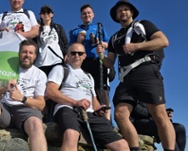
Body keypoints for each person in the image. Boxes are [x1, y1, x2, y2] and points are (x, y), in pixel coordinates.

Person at [98, 1, 175, 150]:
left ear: (131, 12)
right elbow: (109, 63)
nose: (123, 12)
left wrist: (137, 46)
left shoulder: (143, 25)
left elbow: (163, 41)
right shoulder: (114, 38)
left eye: (126, 9)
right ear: (116, 16)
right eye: (119, 11)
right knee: (120, 114)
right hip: (126, 77)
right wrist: (101, 55)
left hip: (146, 70)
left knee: (159, 114)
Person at [46, 43, 129, 151]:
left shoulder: (89, 76)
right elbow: (51, 91)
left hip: (90, 113)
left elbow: (93, 99)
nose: (77, 56)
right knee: (71, 135)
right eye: (73, 53)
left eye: (80, 53)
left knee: (122, 145)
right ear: (68, 55)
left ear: (84, 56)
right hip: (67, 109)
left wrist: (99, 108)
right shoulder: (60, 69)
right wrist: (75, 102)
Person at [69, 4, 112, 120]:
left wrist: (98, 42)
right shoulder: (75, 31)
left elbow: (108, 45)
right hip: (82, 62)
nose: (87, 15)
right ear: (81, 16)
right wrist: (78, 41)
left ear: (93, 15)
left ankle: (107, 119)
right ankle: (89, 115)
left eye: (89, 13)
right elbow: (70, 49)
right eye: (84, 13)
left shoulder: (99, 28)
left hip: (97, 60)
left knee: (101, 89)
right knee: (85, 88)